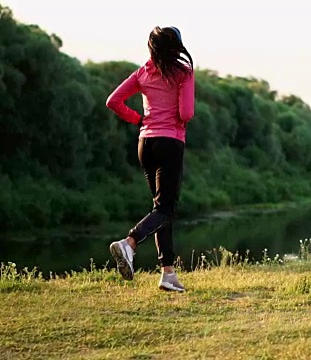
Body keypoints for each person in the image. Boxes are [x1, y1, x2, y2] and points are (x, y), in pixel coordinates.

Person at [105, 26, 195, 292]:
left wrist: (138, 119)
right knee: (166, 209)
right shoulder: (183, 73)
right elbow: (186, 113)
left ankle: (168, 275)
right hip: (170, 142)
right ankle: (129, 243)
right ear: (176, 46)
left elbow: (113, 100)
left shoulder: (143, 71)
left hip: (146, 144)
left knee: (161, 209)